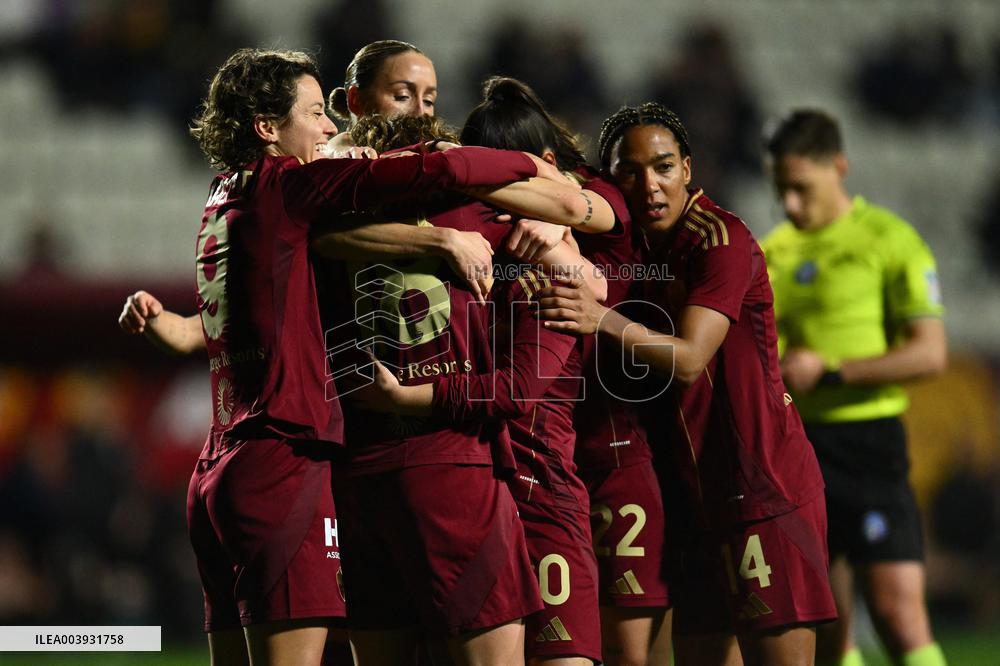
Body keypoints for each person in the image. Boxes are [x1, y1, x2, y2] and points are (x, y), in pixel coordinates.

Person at [119, 46, 549, 666]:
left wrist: (166, 325)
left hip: (218, 465)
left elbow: (222, 320)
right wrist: (541, 169)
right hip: (281, 457)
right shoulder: (290, 186)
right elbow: (440, 170)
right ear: (267, 127)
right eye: (316, 112)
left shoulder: (221, 196)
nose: (329, 128)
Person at [532, 102, 837, 666]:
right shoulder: (642, 249)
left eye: (663, 167)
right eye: (630, 172)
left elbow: (692, 358)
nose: (649, 185)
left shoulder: (720, 238)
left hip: (759, 487)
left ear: (688, 169)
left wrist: (599, 318)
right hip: (693, 499)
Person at [461, 76, 673, 666]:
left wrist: (559, 220)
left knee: (629, 651)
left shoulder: (602, 202)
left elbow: (592, 271)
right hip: (531, 457)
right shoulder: (490, 231)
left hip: (611, 452)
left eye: (509, 180)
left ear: (548, 165)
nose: (500, 196)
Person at [760, 109, 948, 666]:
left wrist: (833, 370)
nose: (791, 205)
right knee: (828, 631)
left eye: (802, 188)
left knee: (897, 615)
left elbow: (930, 353)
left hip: (868, 444)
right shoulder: (771, 251)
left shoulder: (889, 239)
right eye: (781, 190)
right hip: (799, 448)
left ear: (839, 167)